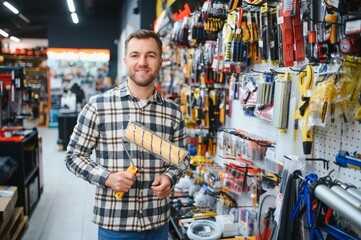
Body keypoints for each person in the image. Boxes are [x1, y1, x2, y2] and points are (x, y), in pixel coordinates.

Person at [64, 29, 190, 240]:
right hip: (115, 226)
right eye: (135, 55)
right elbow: (73, 156)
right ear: (125, 60)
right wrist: (108, 178)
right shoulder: (98, 106)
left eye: (150, 55)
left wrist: (170, 177)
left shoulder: (173, 112)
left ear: (160, 61)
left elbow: (182, 158)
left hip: (157, 224)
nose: (142, 62)